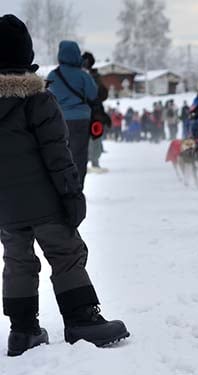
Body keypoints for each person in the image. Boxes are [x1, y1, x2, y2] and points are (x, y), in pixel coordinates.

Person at [0, 14, 129, 356]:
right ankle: (82, 319)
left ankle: (22, 330)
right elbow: (59, 155)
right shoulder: (38, 99)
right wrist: (72, 194)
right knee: (67, 253)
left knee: (17, 261)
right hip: (45, 202)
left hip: (7, 207)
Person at [47, 40, 97, 187]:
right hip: (81, 120)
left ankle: (62, 185)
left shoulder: (53, 75)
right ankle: (77, 186)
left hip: (59, 120)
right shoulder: (83, 76)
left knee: (61, 153)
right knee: (79, 155)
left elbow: (48, 96)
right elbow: (93, 94)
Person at [82, 52, 110, 171]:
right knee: (87, 140)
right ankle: (88, 162)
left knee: (95, 138)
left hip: (93, 113)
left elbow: (102, 95)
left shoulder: (95, 76)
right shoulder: (81, 75)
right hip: (87, 113)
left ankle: (94, 162)